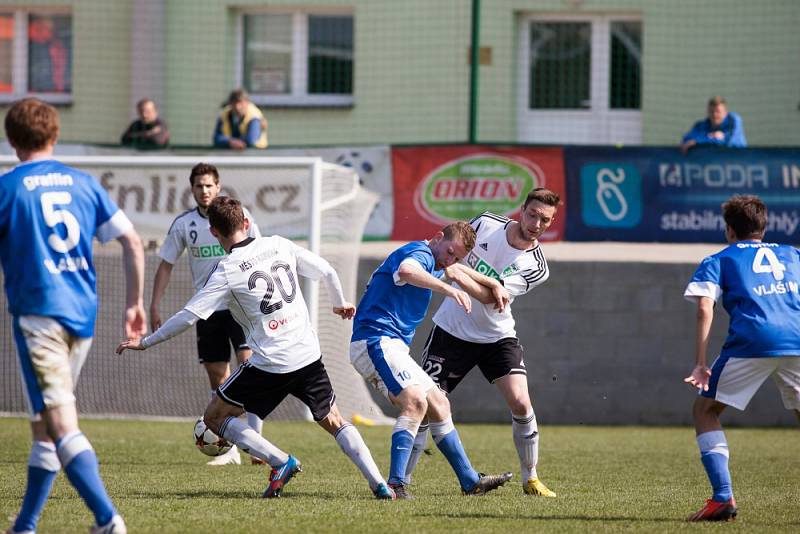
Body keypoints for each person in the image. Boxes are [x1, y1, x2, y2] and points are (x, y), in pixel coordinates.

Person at [118, 196, 395, 501]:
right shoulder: (279, 244)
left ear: (213, 232)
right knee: (334, 420)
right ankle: (379, 483)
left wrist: (146, 342)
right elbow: (327, 270)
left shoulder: (226, 269)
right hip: (307, 356)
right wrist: (340, 301)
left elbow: (189, 316)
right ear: (246, 223)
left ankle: (280, 461)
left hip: (270, 365)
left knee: (215, 417)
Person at [1, 98, 146, 534]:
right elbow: (133, 242)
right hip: (82, 315)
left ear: (10, 140)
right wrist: (134, 302)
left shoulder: (7, 189)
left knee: (61, 425)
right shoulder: (84, 183)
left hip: (39, 317)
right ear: (55, 136)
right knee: (45, 426)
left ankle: (107, 520)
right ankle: (25, 525)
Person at [406, 188, 561, 498]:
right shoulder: (486, 223)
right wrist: (461, 271)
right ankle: (402, 481)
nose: (536, 223)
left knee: (521, 402)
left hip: (496, 336)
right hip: (451, 330)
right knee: (423, 406)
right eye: (532, 215)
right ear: (522, 209)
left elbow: (491, 300)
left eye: (545, 220)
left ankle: (530, 478)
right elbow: (451, 252)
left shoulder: (536, 265)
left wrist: (456, 272)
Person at [350, 221, 513, 499]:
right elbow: (407, 271)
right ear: (437, 237)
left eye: (456, 256)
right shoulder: (421, 253)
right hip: (375, 340)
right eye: (449, 251)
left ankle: (470, 481)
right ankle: (396, 485)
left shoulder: (438, 259)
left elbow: (456, 269)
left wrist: (493, 284)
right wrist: (449, 290)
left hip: (392, 346)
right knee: (415, 402)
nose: (449, 260)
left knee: (439, 403)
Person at [683, 194, 800, 522]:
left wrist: (700, 362)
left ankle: (723, 499)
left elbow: (705, 306)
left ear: (730, 230)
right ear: (763, 226)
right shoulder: (793, 254)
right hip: (798, 339)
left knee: (705, 409)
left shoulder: (720, 258)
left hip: (754, 340)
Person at [150, 163, 263, 466]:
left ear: (218, 186)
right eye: (199, 186)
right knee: (218, 375)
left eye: (209, 185)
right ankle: (231, 447)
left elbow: (260, 252)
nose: (204, 191)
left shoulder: (240, 216)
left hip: (241, 304)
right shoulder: (184, 224)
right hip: (208, 308)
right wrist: (154, 305)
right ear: (192, 189)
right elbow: (165, 264)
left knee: (249, 365)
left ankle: (257, 440)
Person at [680, 96, 747, 154]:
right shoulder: (701, 125)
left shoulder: (734, 121)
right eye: (711, 111)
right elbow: (686, 140)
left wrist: (698, 141)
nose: (715, 115)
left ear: (726, 112)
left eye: (718, 111)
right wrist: (709, 137)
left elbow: (726, 142)